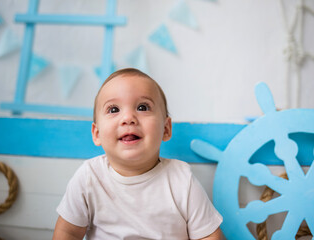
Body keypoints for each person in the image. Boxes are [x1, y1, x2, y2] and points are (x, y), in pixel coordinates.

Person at [53, 68, 223, 240]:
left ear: (166, 129)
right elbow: (68, 233)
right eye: (113, 110)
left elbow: (209, 236)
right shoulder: (89, 176)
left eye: (142, 107)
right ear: (97, 134)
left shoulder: (182, 180)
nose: (128, 117)